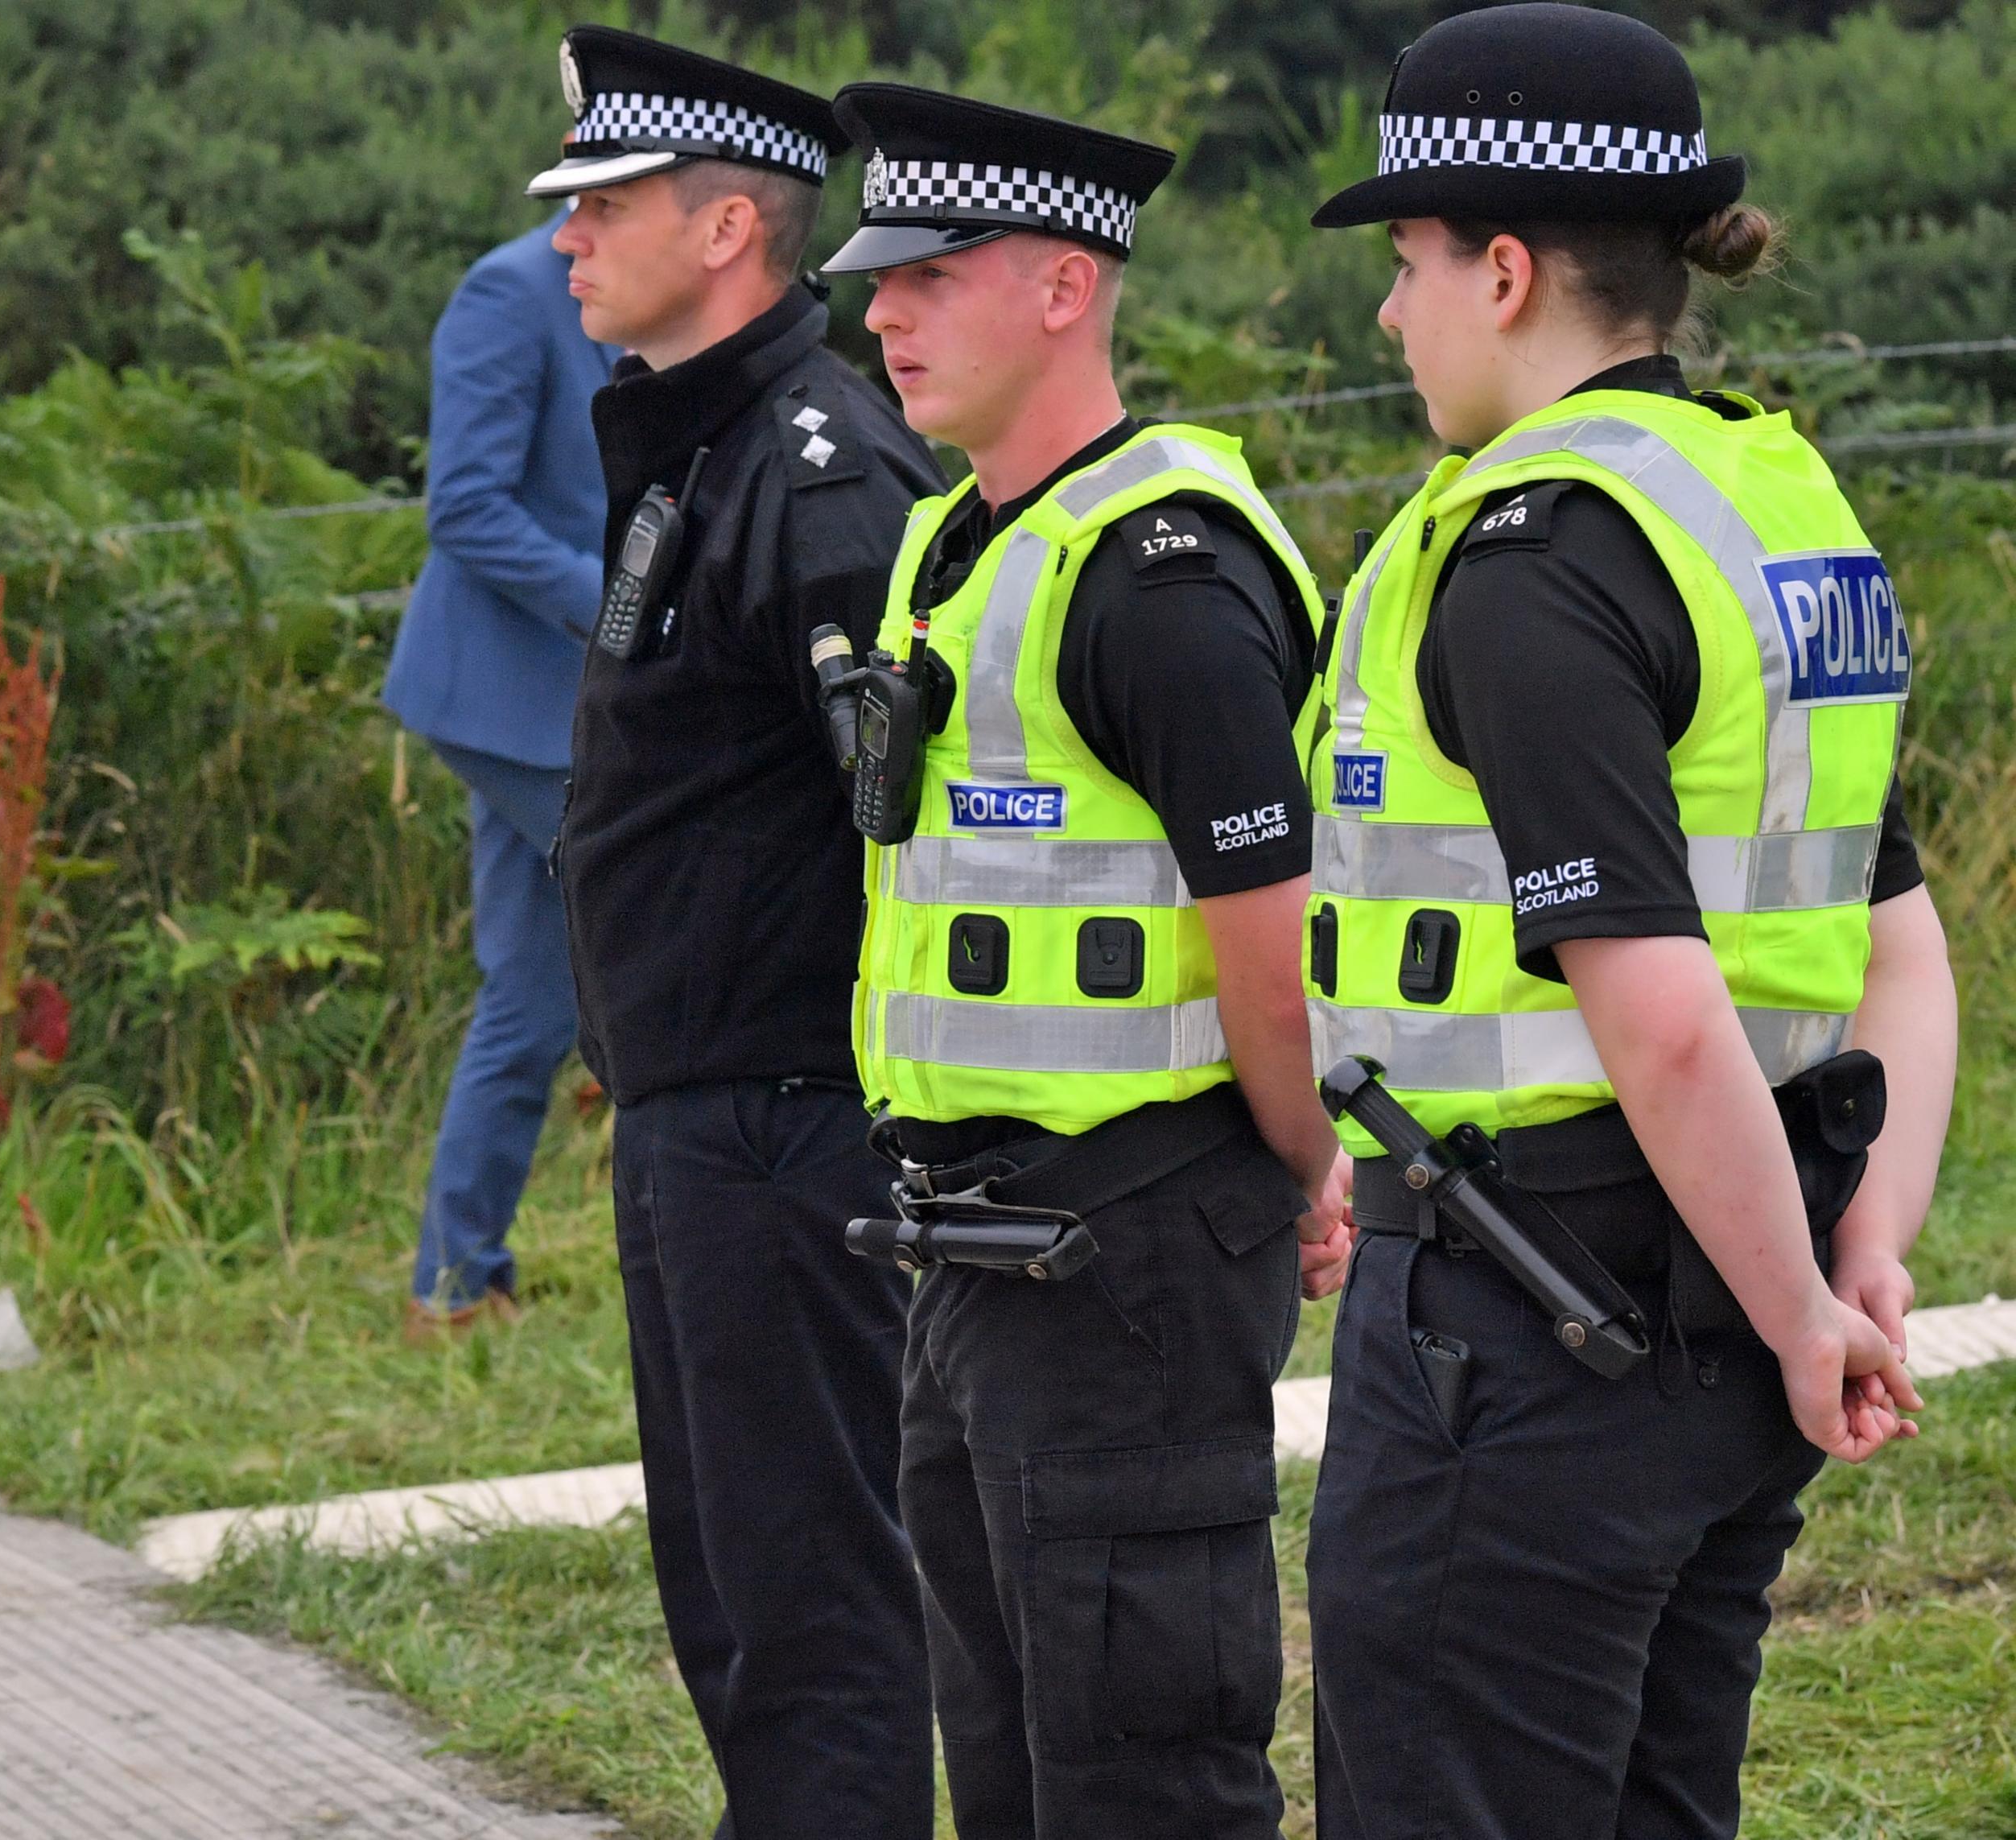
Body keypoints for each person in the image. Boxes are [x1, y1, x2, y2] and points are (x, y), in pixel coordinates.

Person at [1297, 9, 1952, 1835]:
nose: (1389, 315)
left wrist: (1806, 1300)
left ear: (1505, 271)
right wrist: (1847, 1258)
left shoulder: (1529, 564)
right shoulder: (1766, 504)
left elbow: (1659, 1016)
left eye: (1408, 264)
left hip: (1536, 1321)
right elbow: (1898, 945)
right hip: (1735, 1298)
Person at [818, 82, 1352, 1840]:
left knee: (1140, 1777)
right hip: (973, 1248)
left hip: (1124, 1246)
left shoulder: (1159, 574)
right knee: (1015, 1760)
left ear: (1062, 285)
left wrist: (1306, 1163)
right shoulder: (956, 543)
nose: (880, 310)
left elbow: (1264, 936)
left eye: (929, 274)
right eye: (874, 279)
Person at [538, 26, 943, 1834]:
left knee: (813, 1610)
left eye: (602, 206)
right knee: (734, 1595)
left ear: (724, 233)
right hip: (707, 1112)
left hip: (795, 1115)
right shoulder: (695, 446)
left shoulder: (817, 465)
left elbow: (907, 825)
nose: (566, 239)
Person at [381, 204, 616, 1334]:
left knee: (529, 998)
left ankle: (455, 1279)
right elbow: (464, 506)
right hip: (502, 695)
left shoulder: (637, 292)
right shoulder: (511, 292)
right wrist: (613, 603)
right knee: (657, 921)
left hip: (560, 705)